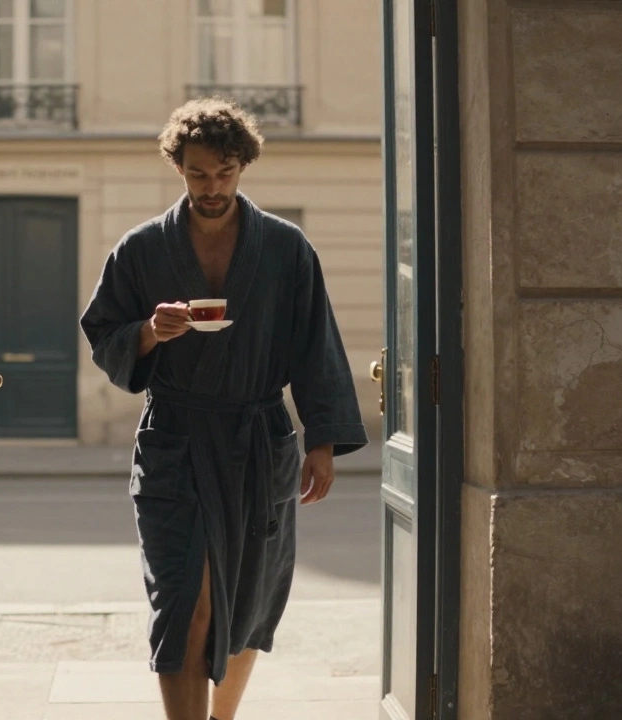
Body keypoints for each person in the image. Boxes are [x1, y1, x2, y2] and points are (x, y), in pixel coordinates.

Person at [78, 97, 367, 720]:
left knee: (247, 597)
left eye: (225, 172)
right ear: (178, 168)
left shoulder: (287, 250)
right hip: (175, 441)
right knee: (186, 599)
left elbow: (314, 343)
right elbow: (104, 334)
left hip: (257, 440)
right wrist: (150, 333)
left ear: (243, 166)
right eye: (199, 173)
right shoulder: (141, 249)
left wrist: (322, 442)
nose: (213, 187)